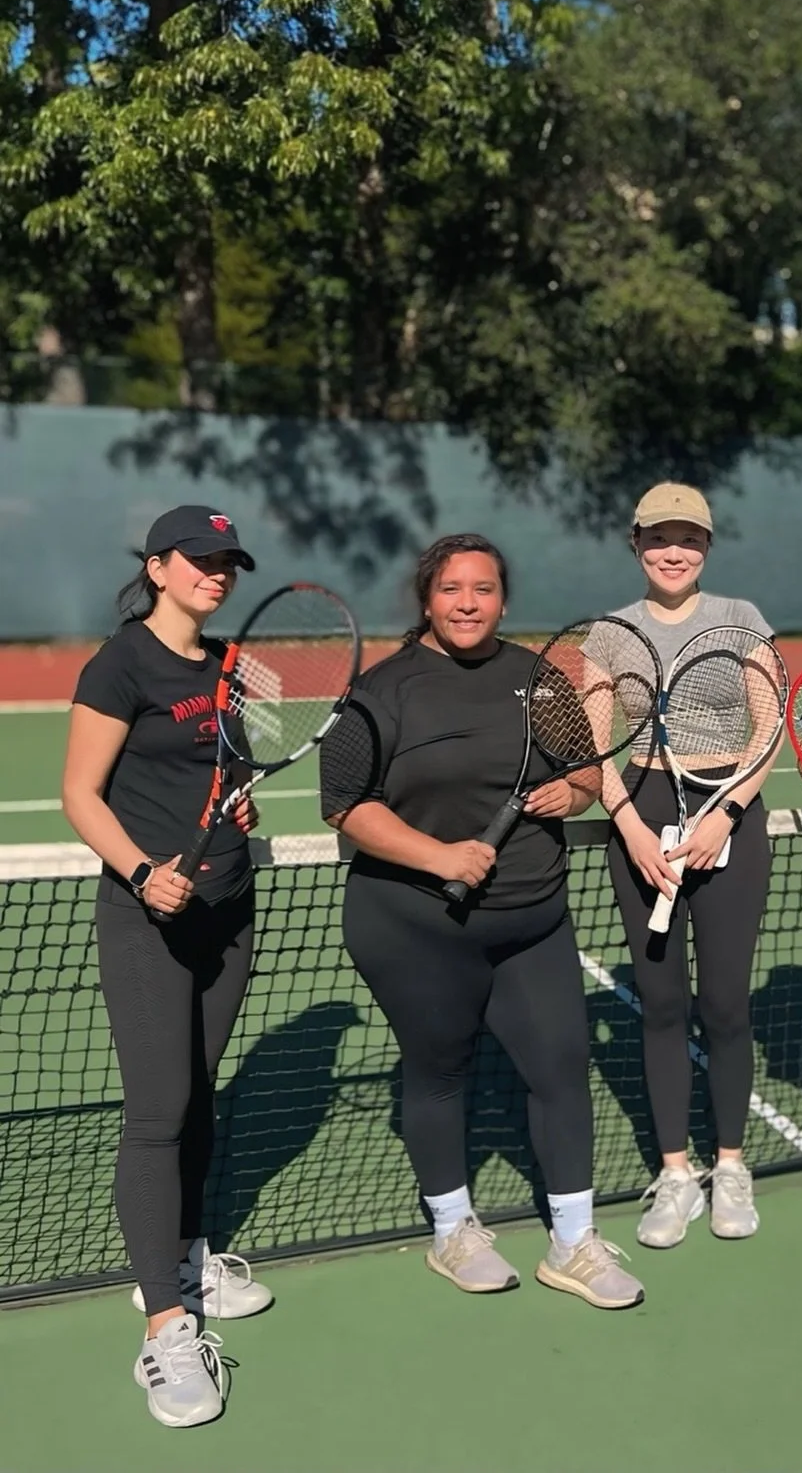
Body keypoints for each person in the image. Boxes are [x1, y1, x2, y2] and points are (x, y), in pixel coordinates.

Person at [319, 533, 643, 1309]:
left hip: (532, 919)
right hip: (414, 925)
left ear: (503, 598)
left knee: (562, 1070)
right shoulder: (384, 688)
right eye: (453, 589)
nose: (469, 603)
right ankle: (453, 1229)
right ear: (427, 598)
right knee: (439, 1074)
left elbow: (586, 770)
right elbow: (344, 806)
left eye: (485, 589)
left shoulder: (537, 678)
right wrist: (438, 856)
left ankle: (573, 1243)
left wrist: (576, 794)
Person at [62, 506, 271, 1430]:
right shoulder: (121, 663)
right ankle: (163, 1327)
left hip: (229, 914)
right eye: (200, 560)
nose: (216, 575)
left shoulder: (226, 666)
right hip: (149, 917)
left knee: (200, 1095)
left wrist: (241, 815)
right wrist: (144, 874)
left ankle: (184, 1256)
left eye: (227, 563)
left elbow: (229, 775)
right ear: (157, 567)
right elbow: (80, 792)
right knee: (158, 1114)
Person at [604, 484, 778, 1248]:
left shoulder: (742, 618)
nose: (674, 552)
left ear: (707, 546)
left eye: (690, 539)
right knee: (662, 1004)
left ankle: (730, 1165)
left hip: (728, 813)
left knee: (727, 1004)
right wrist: (629, 825)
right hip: (641, 812)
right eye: (659, 538)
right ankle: (677, 1173)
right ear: (636, 542)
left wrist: (728, 813)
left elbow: (767, 726)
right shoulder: (610, 633)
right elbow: (594, 742)